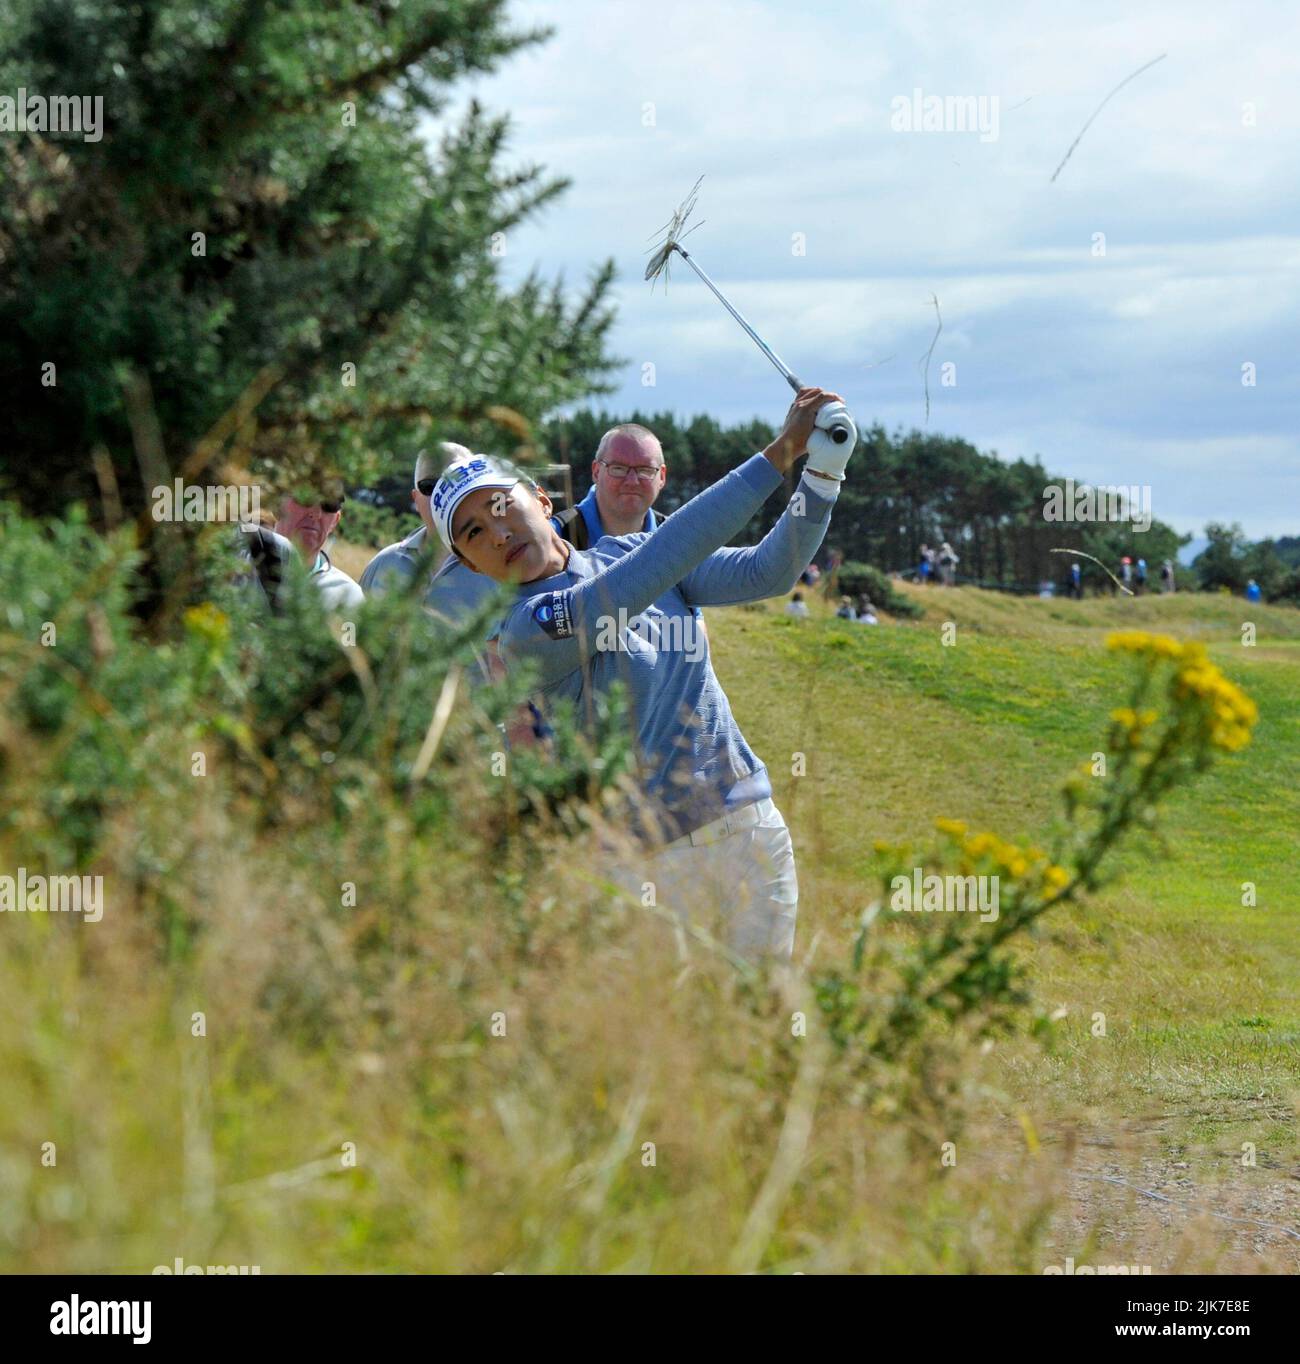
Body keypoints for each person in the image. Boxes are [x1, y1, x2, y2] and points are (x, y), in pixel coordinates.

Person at [429, 387, 850, 962]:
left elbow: (767, 573)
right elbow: (656, 565)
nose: (497, 533)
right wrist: (780, 453)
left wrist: (822, 477)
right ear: (471, 563)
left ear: (540, 501)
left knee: (765, 1028)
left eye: (500, 508)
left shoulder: (631, 548)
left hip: (750, 830)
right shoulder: (527, 630)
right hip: (650, 871)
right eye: (473, 532)